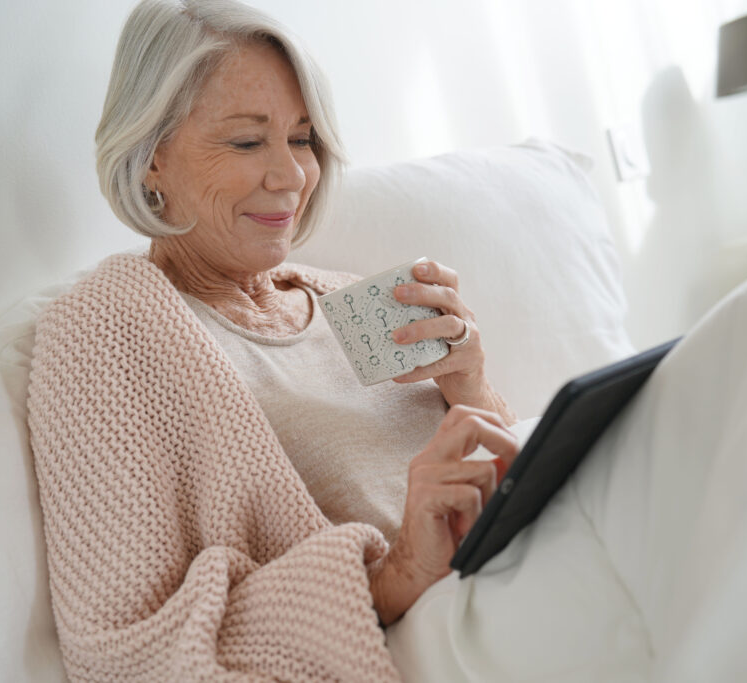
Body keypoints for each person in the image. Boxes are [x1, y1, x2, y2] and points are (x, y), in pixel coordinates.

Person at [26, 0, 519, 679]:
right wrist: (397, 572)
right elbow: (125, 650)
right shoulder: (103, 330)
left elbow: (504, 487)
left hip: (512, 572)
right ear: (151, 158)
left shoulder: (338, 297)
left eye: (303, 137)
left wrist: (472, 388)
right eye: (247, 141)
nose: (292, 174)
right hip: (418, 643)